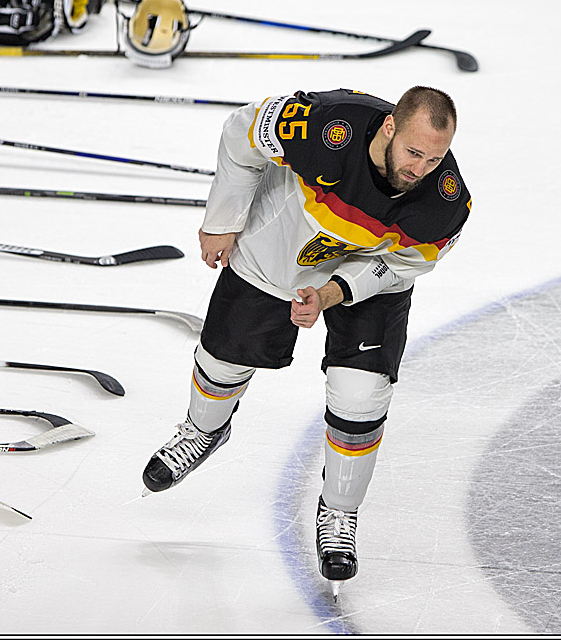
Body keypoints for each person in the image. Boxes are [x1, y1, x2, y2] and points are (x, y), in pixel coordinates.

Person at [141, 86, 472, 595]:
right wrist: (222, 220)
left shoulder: (447, 203)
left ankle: (339, 514)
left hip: (367, 277)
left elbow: (403, 264)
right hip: (282, 242)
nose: (421, 169)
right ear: (389, 127)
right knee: (223, 358)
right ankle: (203, 430)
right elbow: (240, 131)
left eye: (434, 157)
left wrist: (335, 292)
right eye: (413, 152)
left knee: (361, 398)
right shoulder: (322, 125)